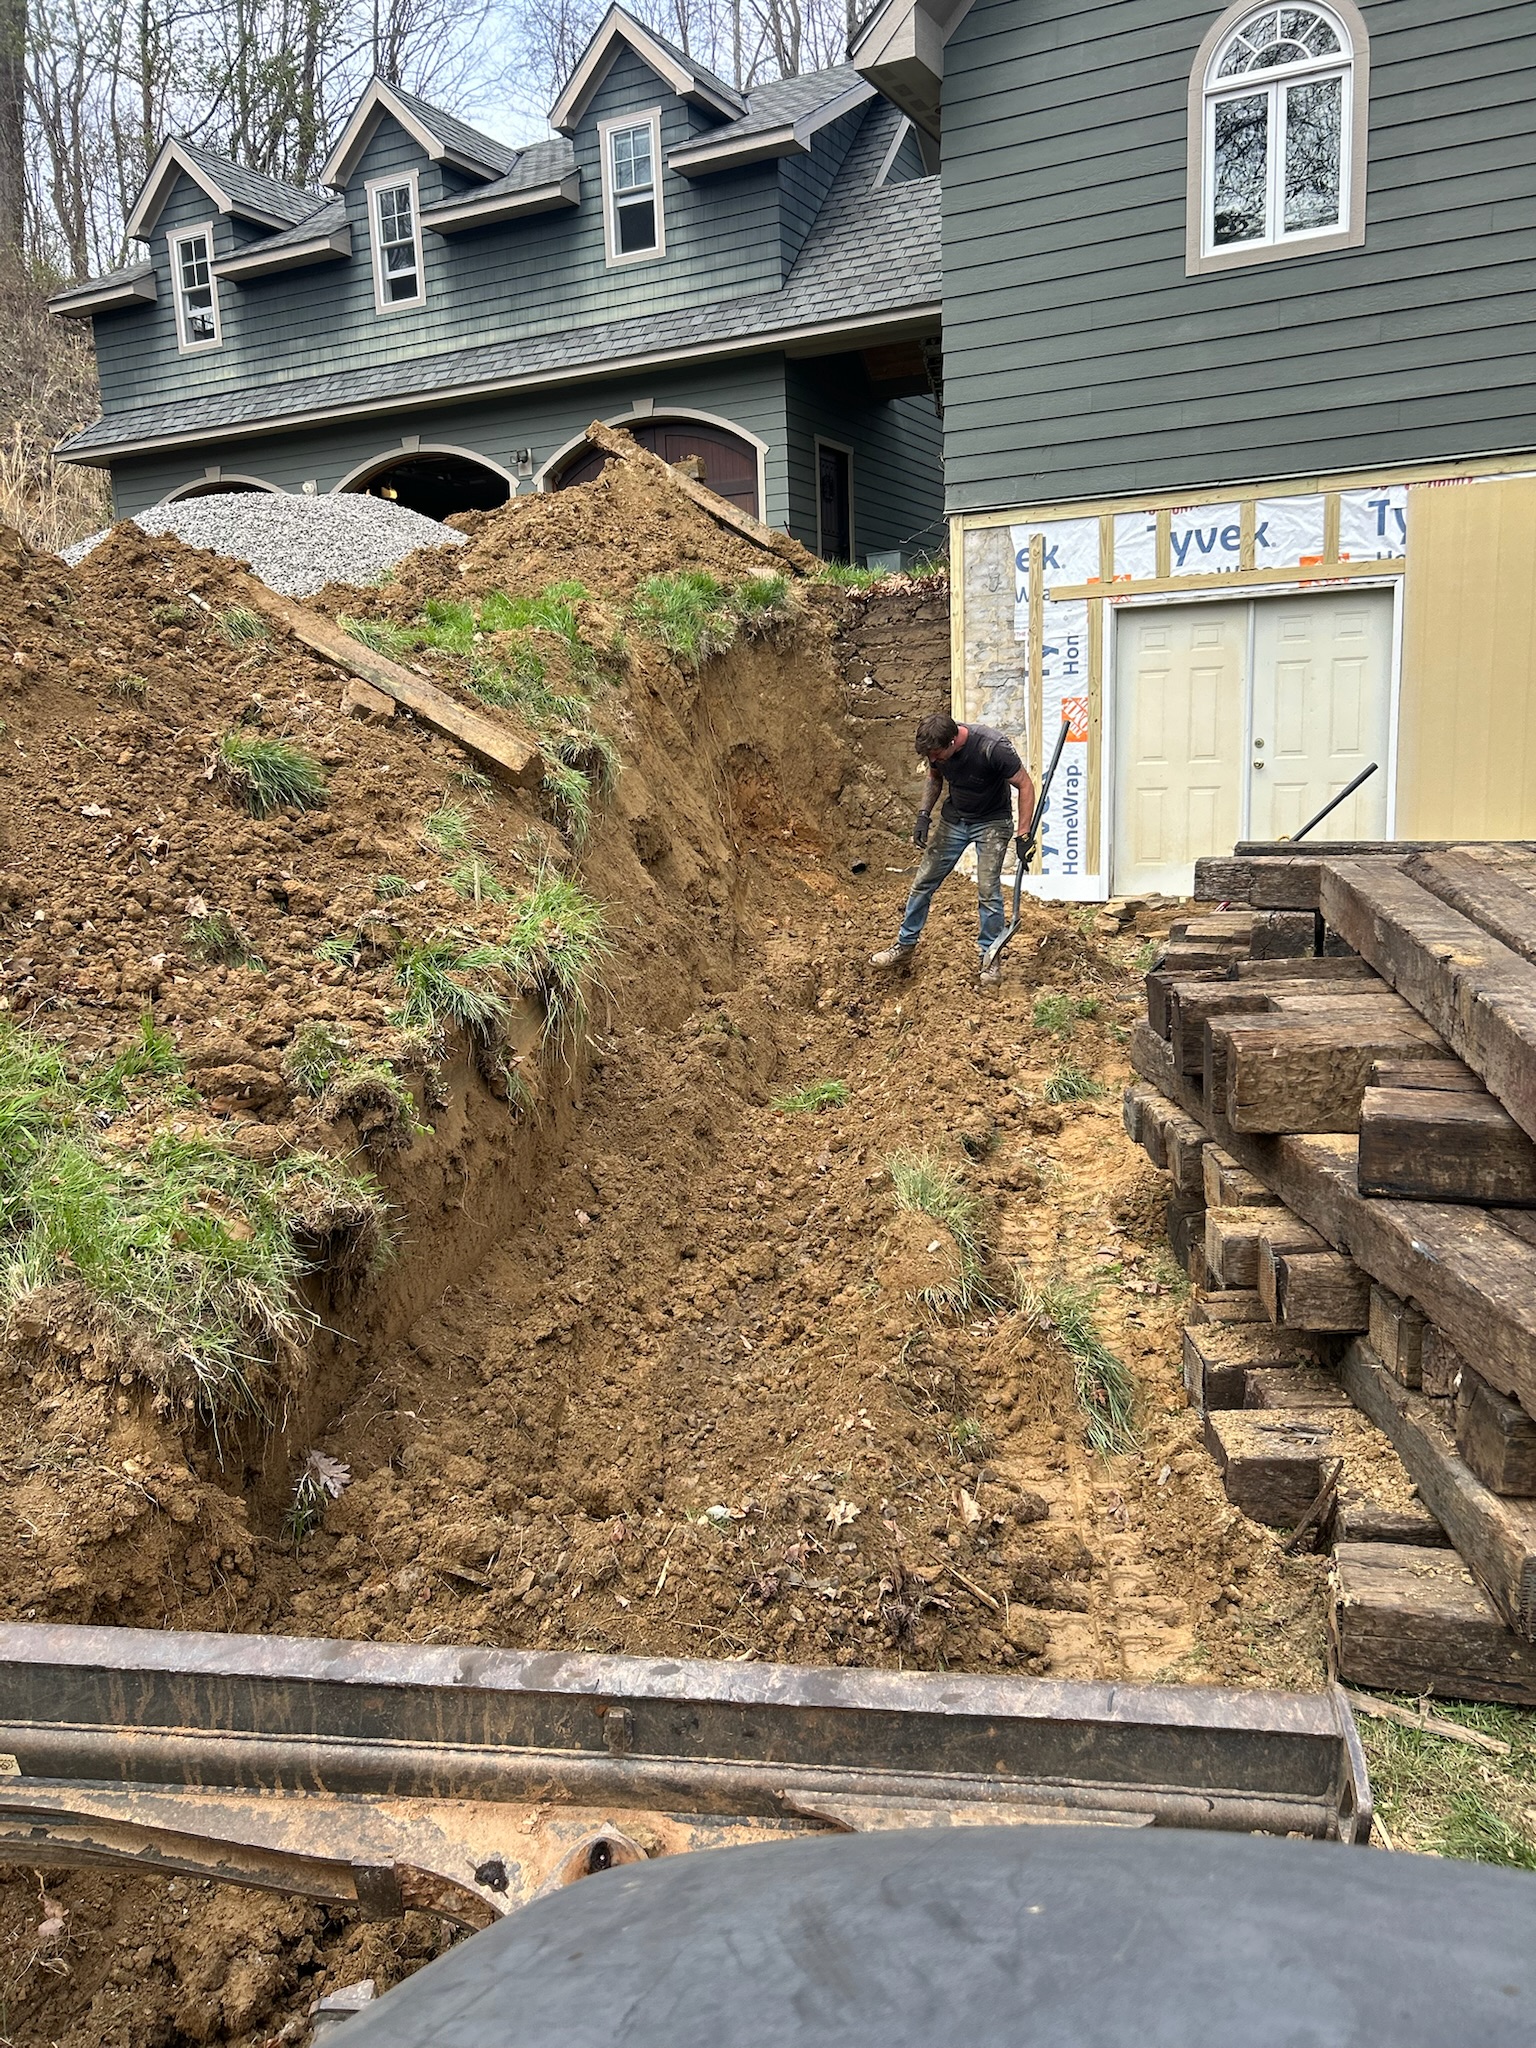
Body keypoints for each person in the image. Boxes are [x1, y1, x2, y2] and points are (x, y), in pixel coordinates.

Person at [871, 711, 1035, 986]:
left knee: (987, 890)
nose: (933, 760)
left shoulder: (993, 747)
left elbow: (1025, 784)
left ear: (952, 742)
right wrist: (924, 814)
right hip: (954, 819)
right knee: (923, 882)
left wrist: (1023, 834)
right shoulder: (937, 750)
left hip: (992, 822)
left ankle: (990, 957)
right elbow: (935, 778)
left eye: (936, 754)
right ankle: (904, 945)